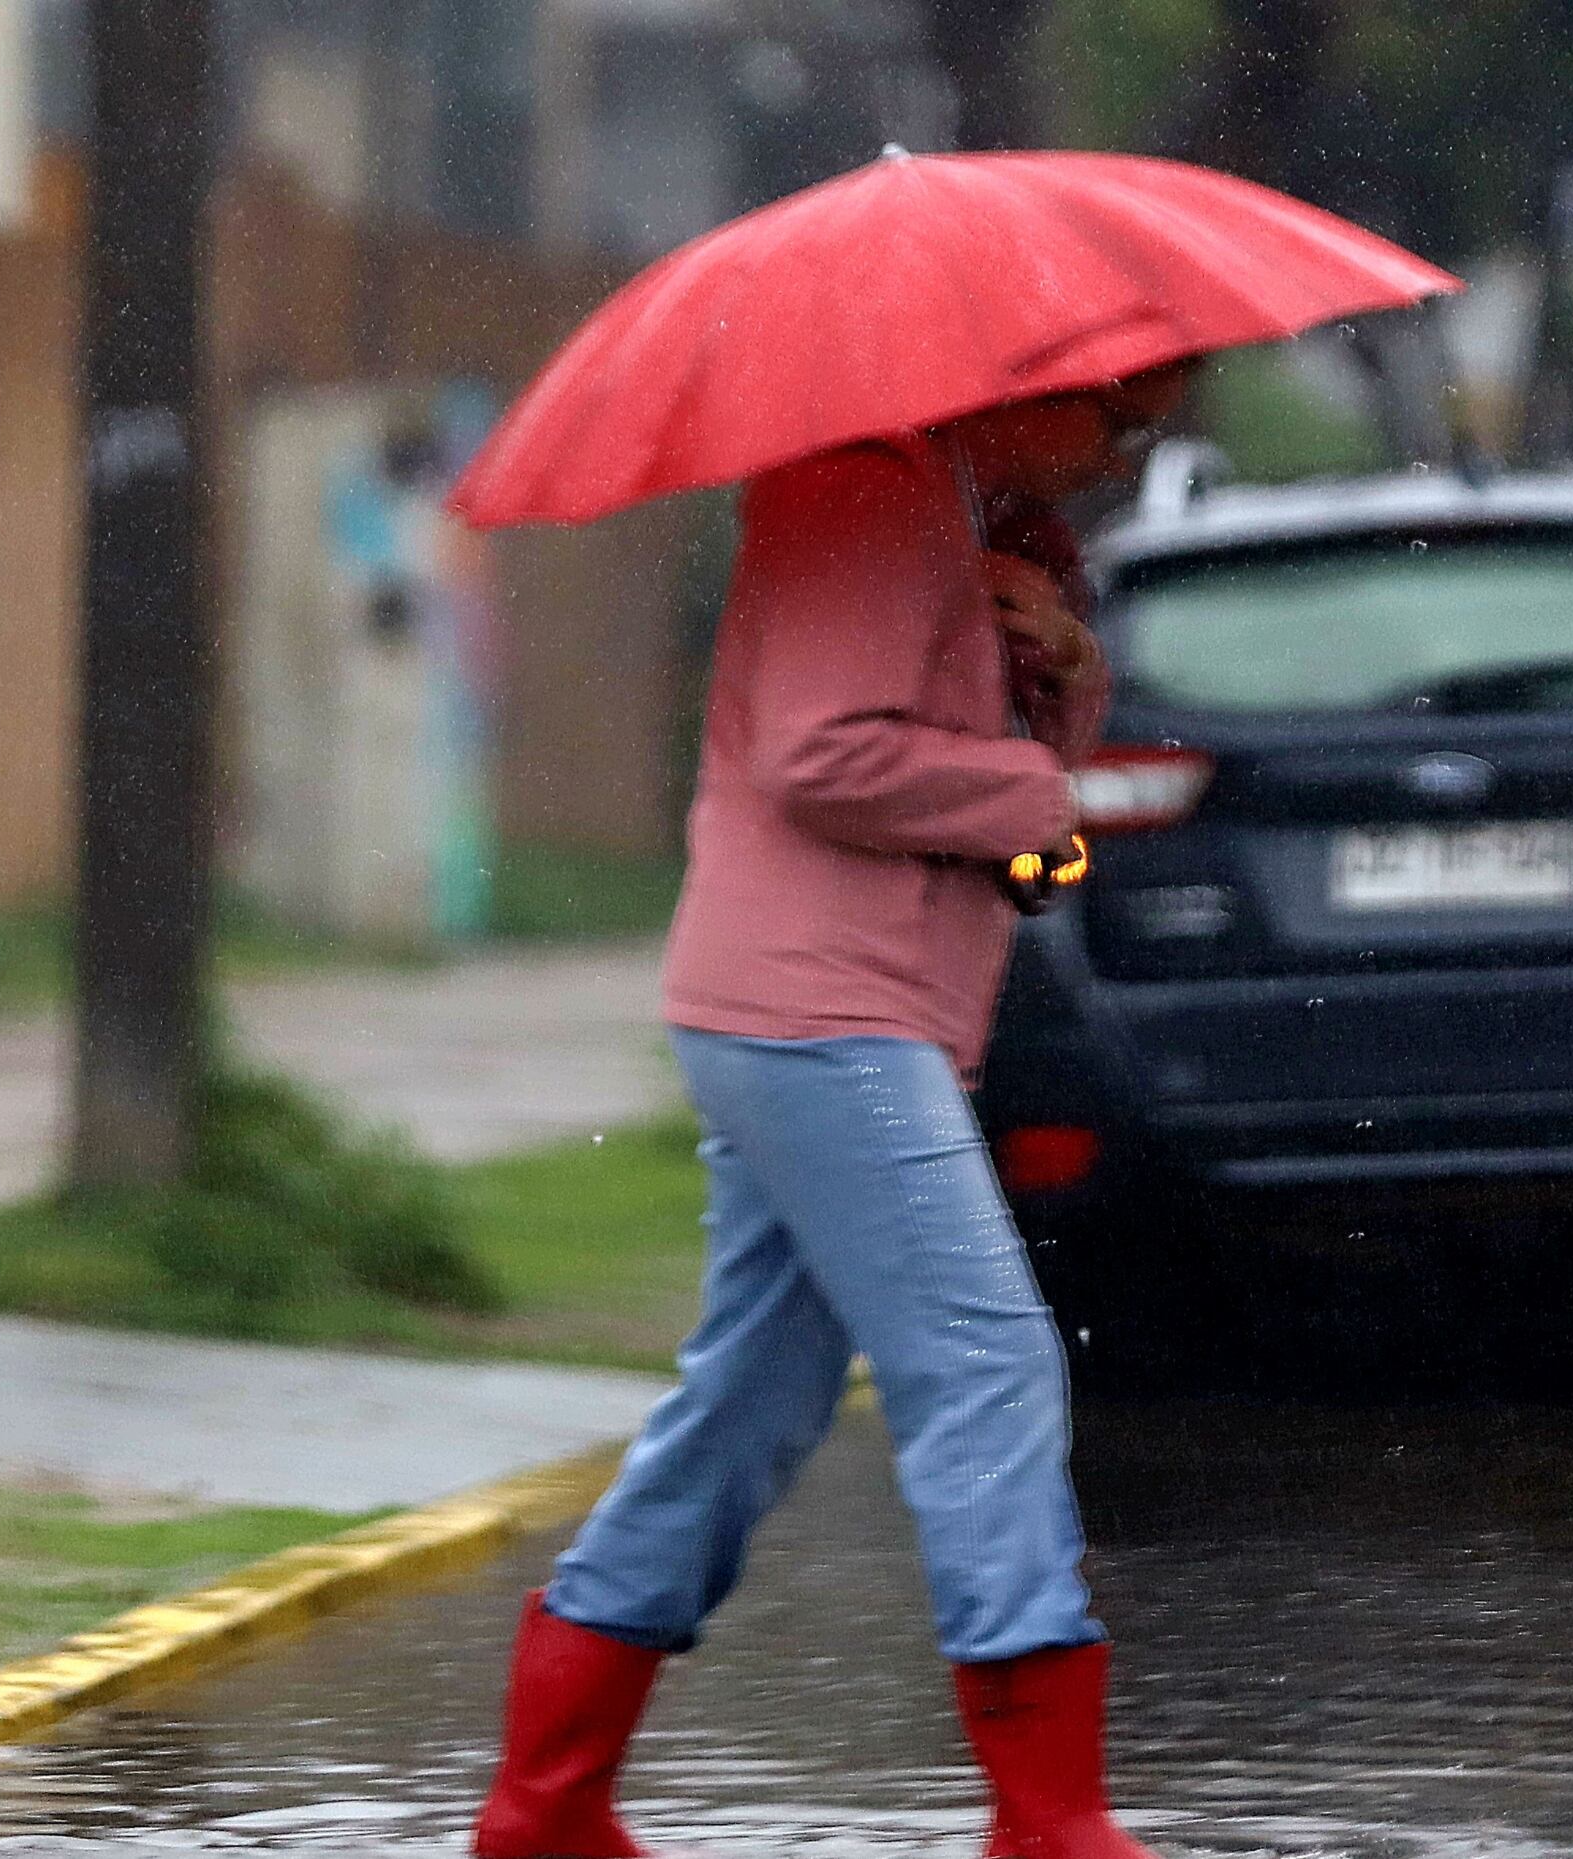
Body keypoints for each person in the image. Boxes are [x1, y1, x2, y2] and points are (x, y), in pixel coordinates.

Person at [470, 362, 1196, 1859]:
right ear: (1022, 391)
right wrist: (1030, 797)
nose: (1138, 450)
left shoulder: (971, 520)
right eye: (1118, 417)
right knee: (983, 1364)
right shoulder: (866, 494)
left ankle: (547, 1802)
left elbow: (986, 776)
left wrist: (1065, 669)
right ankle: (1048, 1816)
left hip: (857, 1007)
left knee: (750, 1403)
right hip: (818, 1006)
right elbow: (825, 753)